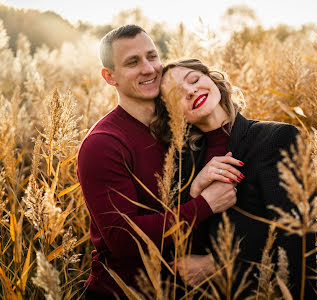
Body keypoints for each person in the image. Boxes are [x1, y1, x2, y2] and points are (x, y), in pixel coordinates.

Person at [76, 26, 237, 299]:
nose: (149, 69)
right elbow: (123, 239)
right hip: (123, 293)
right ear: (109, 76)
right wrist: (203, 204)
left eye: (152, 56)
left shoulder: (185, 124)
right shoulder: (103, 144)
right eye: (132, 62)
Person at [161, 58, 317, 299]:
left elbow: (296, 234)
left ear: (212, 80)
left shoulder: (276, 138)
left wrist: (219, 263)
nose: (191, 91)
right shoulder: (183, 163)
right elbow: (178, 242)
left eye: (194, 79)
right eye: (176, 95)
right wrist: (195, 189)